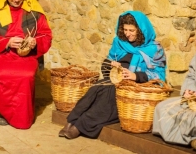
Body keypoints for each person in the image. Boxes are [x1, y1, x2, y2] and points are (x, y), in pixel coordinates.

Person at [59, 11, 167, 139]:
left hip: (134, 86)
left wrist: (135, 76)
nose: (127, 34)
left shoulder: (154, 49)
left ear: (141, 30)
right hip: (115, 79)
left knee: (108, 95)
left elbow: (159, 75)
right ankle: (71, 120)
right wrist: (110, 65)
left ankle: (80, 126)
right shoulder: (119, 43)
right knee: (96, 88)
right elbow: (105, 67)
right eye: (125, 29)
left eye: (132, 30)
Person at [0, 0, 52, 129]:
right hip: (3, 53)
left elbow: (46, 35)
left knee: (25, 77)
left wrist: (35, 42)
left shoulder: (34, 12)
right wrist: (7, 41)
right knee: (5, 75)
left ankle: (23, 117)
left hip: (27, 55)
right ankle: (5, 113)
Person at [152, 19, 196, 152]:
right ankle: (194, 140)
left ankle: (192, 136)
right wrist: (189, 90)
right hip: (194, 102)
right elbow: (191, 75)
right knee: (162, 109)